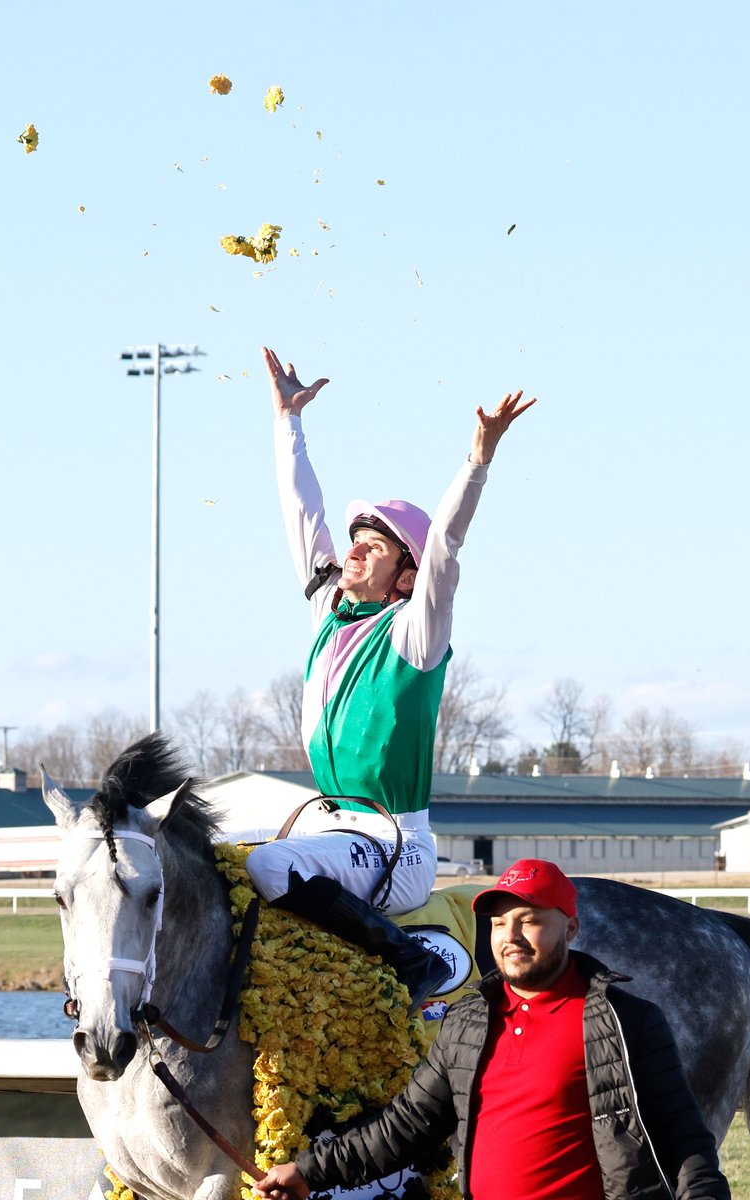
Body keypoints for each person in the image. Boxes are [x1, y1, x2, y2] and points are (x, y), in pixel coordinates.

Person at [245, 348, 535, 1007]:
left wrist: (477, 462)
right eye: (354, 540)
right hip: (332, 832)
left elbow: (446, 549)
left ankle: (409, 960)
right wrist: (286, 422)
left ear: (406, 576)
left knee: (269, 864)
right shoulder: (332, 611)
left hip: (394, 847)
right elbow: (302, 515)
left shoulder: (414, 631)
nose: (351, 551)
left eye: (371, 546)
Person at [254, 858, 730, 1200]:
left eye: (530, 921)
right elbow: (407, 1126)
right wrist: (310, 1171)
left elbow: (683, 1139)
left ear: (570, 929)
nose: (511, 937)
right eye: (500, 923)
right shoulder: (468, 1021)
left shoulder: (626, 1020)